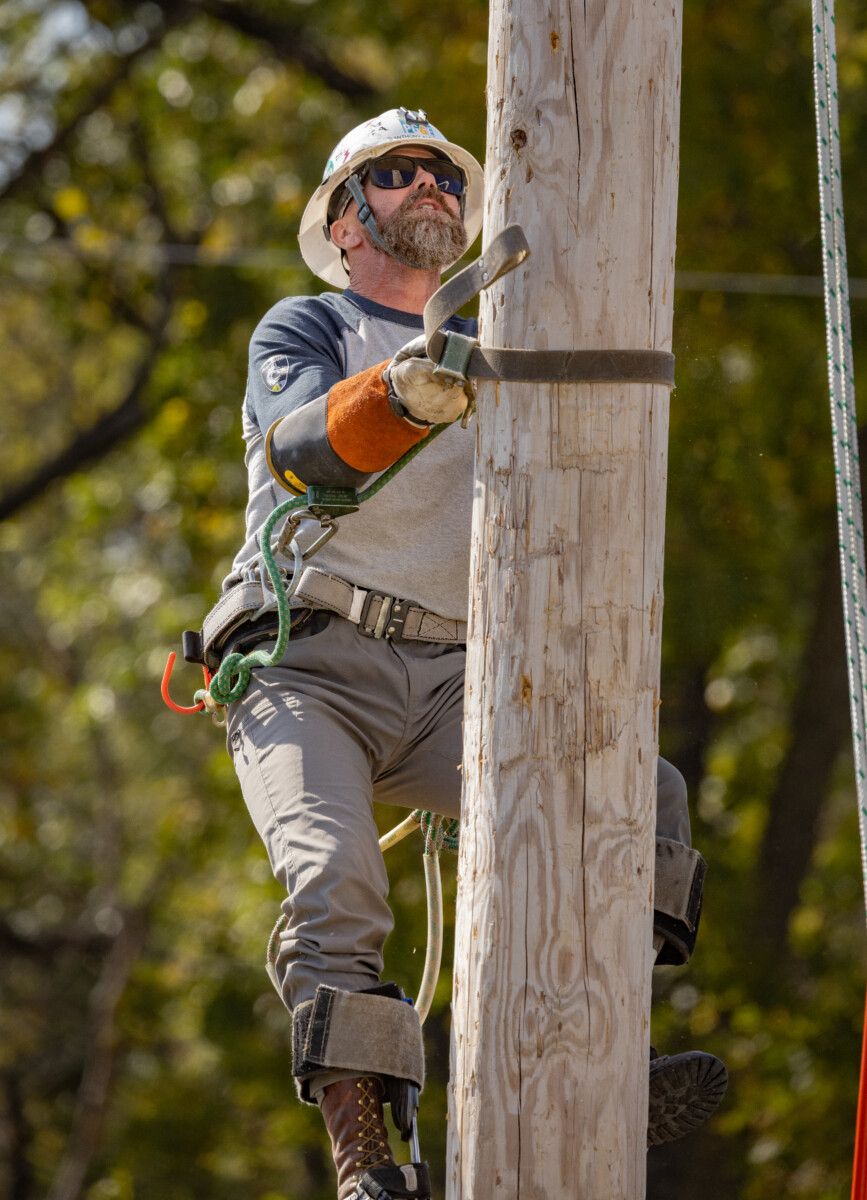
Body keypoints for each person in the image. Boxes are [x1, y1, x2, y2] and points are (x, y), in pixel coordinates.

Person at [207, 108, 725, 1200]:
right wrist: (398, 394)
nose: (428, 187)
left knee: (637, 797)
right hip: (308, 662)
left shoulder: (506, 353)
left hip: (453, 679)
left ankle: (601, 1061)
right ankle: (365, 1158)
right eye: (394, 176)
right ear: (346, 224)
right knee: (336, 877)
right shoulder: (307, 327)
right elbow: (304, 450)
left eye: (441, 175)